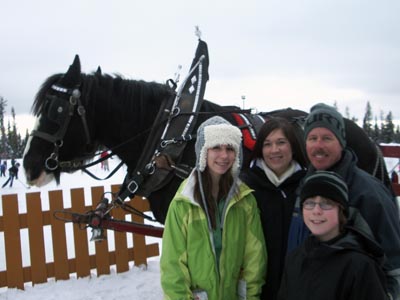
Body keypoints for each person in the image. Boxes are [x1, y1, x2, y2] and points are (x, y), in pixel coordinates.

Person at [289, 103, 400, 299]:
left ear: (341, 142)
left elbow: (395, 263)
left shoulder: (369, 194)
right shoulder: (304, 185)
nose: (319, 145)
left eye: (327, 138)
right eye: (312, 138)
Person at [160, 116, 267, 300]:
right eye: (216, 147)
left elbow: (254, 259)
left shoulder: (245, 201)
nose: (224, 156)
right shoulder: (184, 202)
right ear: (203, 152)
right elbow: (172, 267)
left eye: (230, 148)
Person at [278, 171, 389, 300]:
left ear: (341, 210)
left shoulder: (360, 265)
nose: (316, 211)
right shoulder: (295, 258)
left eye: (326, 203)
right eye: (309, 203)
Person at [240, 117, 307, 300]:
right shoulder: (246, 187)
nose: (274, 150)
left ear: (293, 146)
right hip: (258, 290)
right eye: (267, 144)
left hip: (298, 288)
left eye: (281, 142)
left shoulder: (308, 186)